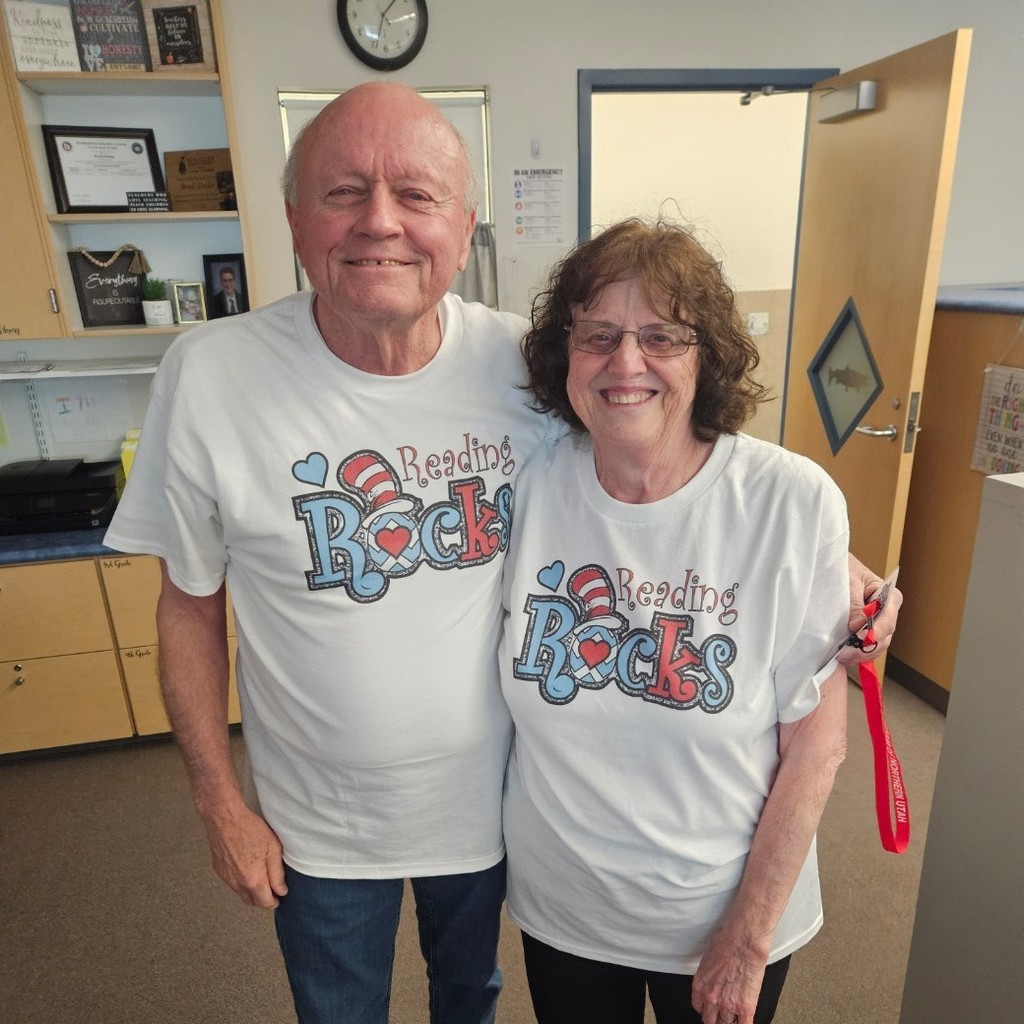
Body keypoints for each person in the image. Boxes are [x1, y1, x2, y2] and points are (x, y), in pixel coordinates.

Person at [103, 83, 899, 1024]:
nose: (380, 222)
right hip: (318, 826)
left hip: (489, 817)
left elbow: (672, 448)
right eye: (344, 191)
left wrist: (829, 566)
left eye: (416, 195)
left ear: (463, 225)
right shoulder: (212, 374)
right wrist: (216, 803)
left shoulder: (516, 367)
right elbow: (188, 600)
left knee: (468, 1003)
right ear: (292, 217)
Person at [499, 217, 858, 1024]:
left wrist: (749, 935)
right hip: (566, 911)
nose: (626, 362)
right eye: (598, 335)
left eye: (661, 336)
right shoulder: (531, 482)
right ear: (566, 354)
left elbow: (816, 747)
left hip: (721, 916)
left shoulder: (790, 503)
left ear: (707, 356)